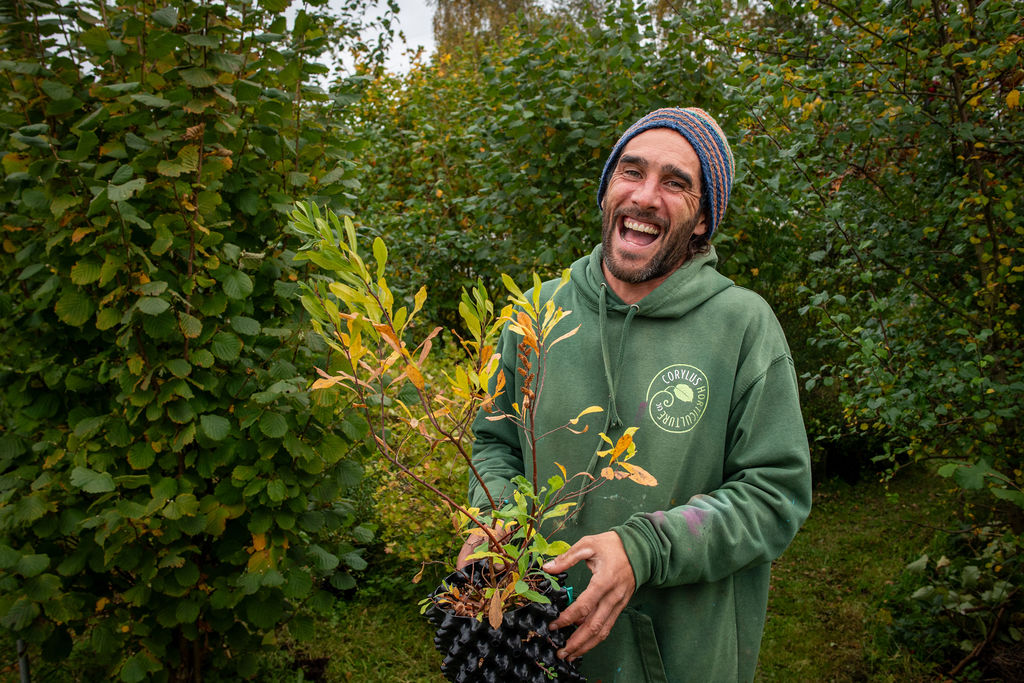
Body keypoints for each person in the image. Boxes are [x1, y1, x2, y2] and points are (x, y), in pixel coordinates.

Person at [460, 107, 812, 682]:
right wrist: (492, 516)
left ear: (701, 220)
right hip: (533, 646)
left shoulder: (742, 326)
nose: (646, 196)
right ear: (607, 193)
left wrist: (645, 547)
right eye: (631, 171)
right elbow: (494, 445)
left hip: (676, 657)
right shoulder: (536, 316)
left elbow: (775, 494)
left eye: (676, 183)